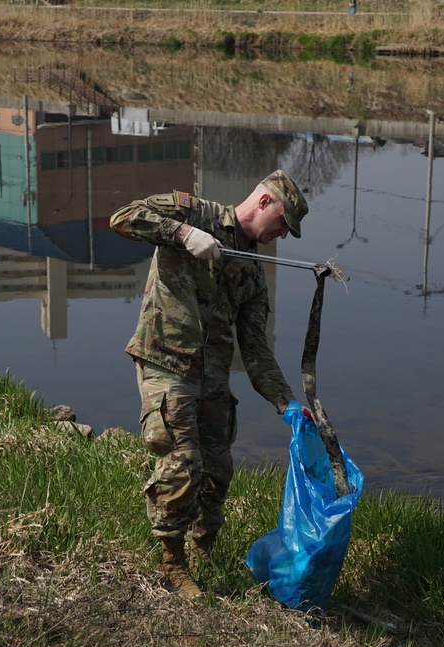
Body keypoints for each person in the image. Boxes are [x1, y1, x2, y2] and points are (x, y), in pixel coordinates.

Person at [109, 170, 309, 599]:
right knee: (183, 465)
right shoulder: (193, 212)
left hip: (212, 377)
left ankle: (204, 551)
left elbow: (255, 350)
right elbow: (124, 217)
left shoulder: (254, 275)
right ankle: (173, 565)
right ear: (264, 203)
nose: (283, 237)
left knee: (218, 471)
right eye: (283, 225)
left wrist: (286, 403)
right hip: (166, 360)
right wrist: (181, 234)